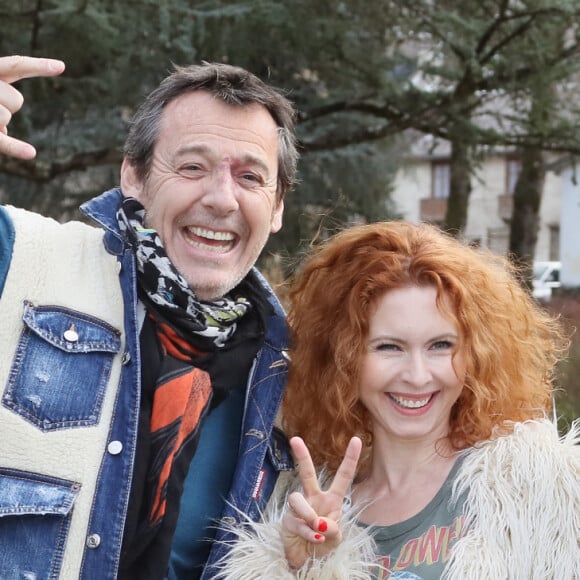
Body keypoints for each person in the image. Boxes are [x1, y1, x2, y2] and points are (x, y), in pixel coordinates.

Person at [0, 55, 298, 579]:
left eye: (250, 177)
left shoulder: (283, 375)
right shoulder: (23, 259)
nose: (221, 198)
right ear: (133, 176)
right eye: (192, 167)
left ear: (276, 208)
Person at [216, 220, 580, 579]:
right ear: (343, 359)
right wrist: (304, 567)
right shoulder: (300, 508)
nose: (417, 375)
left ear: (475, 355)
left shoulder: (541, 490)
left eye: (441, 346)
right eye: (389, 347)